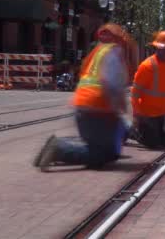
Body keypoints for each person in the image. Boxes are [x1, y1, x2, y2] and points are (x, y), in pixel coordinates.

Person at [34, 23, 138, 171]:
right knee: (107, 154)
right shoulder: (113, 54)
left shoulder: (95, 53)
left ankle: (59, 149)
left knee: (100, 149)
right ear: (119, 39)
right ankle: (59, 149)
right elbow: (111, 84)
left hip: (83, 107)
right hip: (97, 109)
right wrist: (121, 106)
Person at [128, 31, 165, 150]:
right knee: (153, 145)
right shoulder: (147, 66)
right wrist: (136, 115)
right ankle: (128, 131)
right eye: (162, 48)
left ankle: (142, 133)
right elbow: (135, 93)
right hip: (147, 114)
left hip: (164, 114)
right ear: (156, 47)